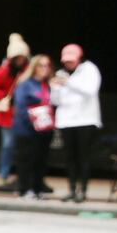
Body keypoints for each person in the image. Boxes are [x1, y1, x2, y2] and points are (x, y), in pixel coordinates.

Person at [51, 43, 103, 203]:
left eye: (72, 60)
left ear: (79, 58)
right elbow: (55, 100)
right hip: (66, 121)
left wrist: (68, 83)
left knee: (83, 157)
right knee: (69, 157)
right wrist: (55, 88)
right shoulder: (60, 73)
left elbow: (90, 90)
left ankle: (83, 190)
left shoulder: (89, 69)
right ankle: (72, 189)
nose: (68, 63)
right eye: (66, 61)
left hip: (86, 120)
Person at [0, 36, 30, 192]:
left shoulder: (29, 69)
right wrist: (2, 95)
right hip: (8, 114)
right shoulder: (4, 70)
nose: (20, 60)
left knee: (24, 146)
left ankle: (24, 175)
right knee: (8, 145)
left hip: (25, 114)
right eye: (17, 57)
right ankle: (4, 175)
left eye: (22, 57)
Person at [12, 54, 56, 200]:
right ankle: (25, 189)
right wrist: (34, 121)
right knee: (26, 160)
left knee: (41, 160)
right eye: (41, 65)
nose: (44, 69)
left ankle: (38, 188)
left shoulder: (48, 85)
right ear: (34, 67)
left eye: (47, 65)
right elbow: (20, 106)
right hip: (27, 129)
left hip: (44, 129)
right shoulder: (25, 84)